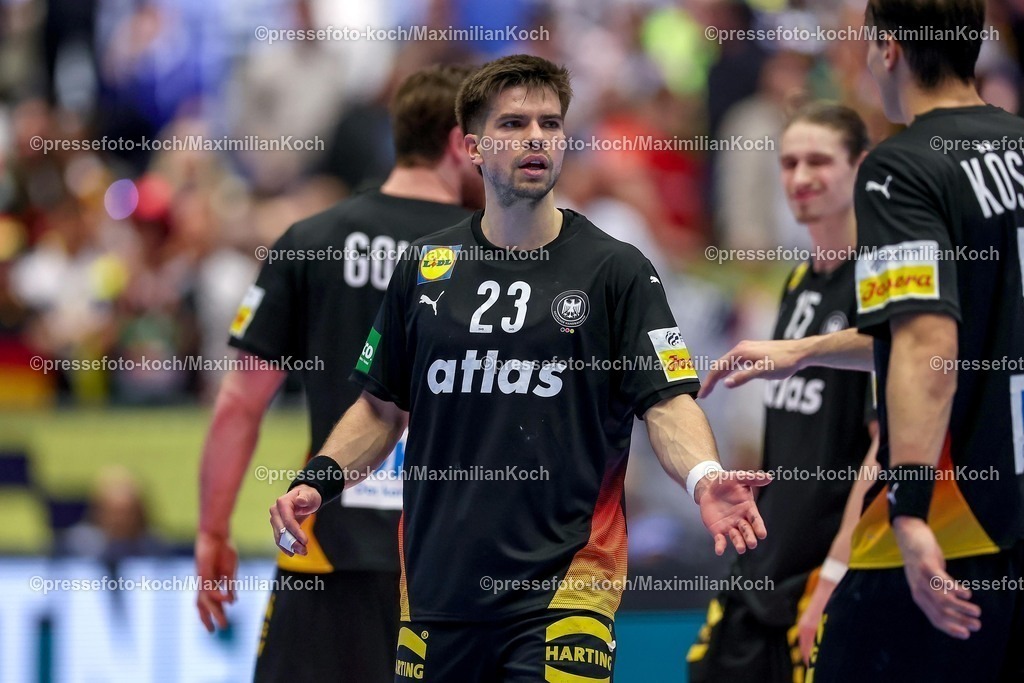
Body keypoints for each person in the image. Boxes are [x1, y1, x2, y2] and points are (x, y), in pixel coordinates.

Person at [269, 54, 772, 682]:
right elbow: (381, 407)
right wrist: (319, 480)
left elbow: (667, 401)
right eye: (513, 124)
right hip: (435, 595)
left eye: (549, 124)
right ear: (472, 147)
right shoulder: (423, 266)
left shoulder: (616, 270)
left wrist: (704, 476)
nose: (536, 137)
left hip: (565, 590)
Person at [705, 0, 1024, 678]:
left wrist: (911, 511)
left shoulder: (902, 167)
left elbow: (926, 343)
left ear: (889, 50)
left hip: (959, 521)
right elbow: (955, 322)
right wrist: (801, 351)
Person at [195, 64, 483, 683]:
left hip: (326, 548)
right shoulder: (495, 258)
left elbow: (239, 402)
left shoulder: (311, 239)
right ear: (460, 143)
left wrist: (213, 531)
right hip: (457, 560)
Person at [688, 103, 879, 683]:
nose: (801, 177)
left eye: (819, 161)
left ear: (861, 166)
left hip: (823, 571)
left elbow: (884, 447)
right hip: (763, 562)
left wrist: (835, 573)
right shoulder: (796, 281)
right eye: (789, 162)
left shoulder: (879, 281)